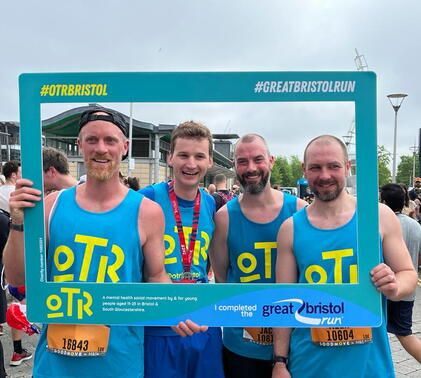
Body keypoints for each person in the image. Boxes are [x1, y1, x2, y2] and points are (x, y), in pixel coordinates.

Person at [3, 107, 203, 378]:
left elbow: (156, 277)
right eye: (92, 140)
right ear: (79, 144)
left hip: (121, 364)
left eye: (110, 140)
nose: (101, 149)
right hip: (55, 365)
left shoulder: (147, 212)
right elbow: (17, 278)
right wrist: (18, 224)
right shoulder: (52, 205)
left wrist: (177, 309)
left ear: (124, 147)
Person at [273, 135, 417, 378]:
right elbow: (284, 301)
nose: (325, 175)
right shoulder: (290, 229)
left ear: (348, 167)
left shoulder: (378, 216)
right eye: (315, 167)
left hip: (369, 366)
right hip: (309, 365)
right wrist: (279, 362)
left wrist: (395, 286)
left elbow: (408, 274)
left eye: (334, 166)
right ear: (304, 170)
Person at [210, 134, 307, 378]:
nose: (251, 168)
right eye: (243, 161)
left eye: (258, 159)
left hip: (294, 343)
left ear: (271, 161)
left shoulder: (298, 210)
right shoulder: (224, 218)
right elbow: (222, 278)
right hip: (241, 346)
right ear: (234, 166)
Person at [139, 120, 224, 378]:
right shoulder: (147, 199)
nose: (191, 164)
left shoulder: (210, 203)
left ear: (210, 161)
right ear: (170, 157)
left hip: (203, 324)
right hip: (159, 326)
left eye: (199, 156)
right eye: (183, 155)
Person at [380, 183, 421, 363]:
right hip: (408, 290)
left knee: (403, 334)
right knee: (402, 332)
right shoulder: (416, 225)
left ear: (384, 201)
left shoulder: (385, 224)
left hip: (388, 289)